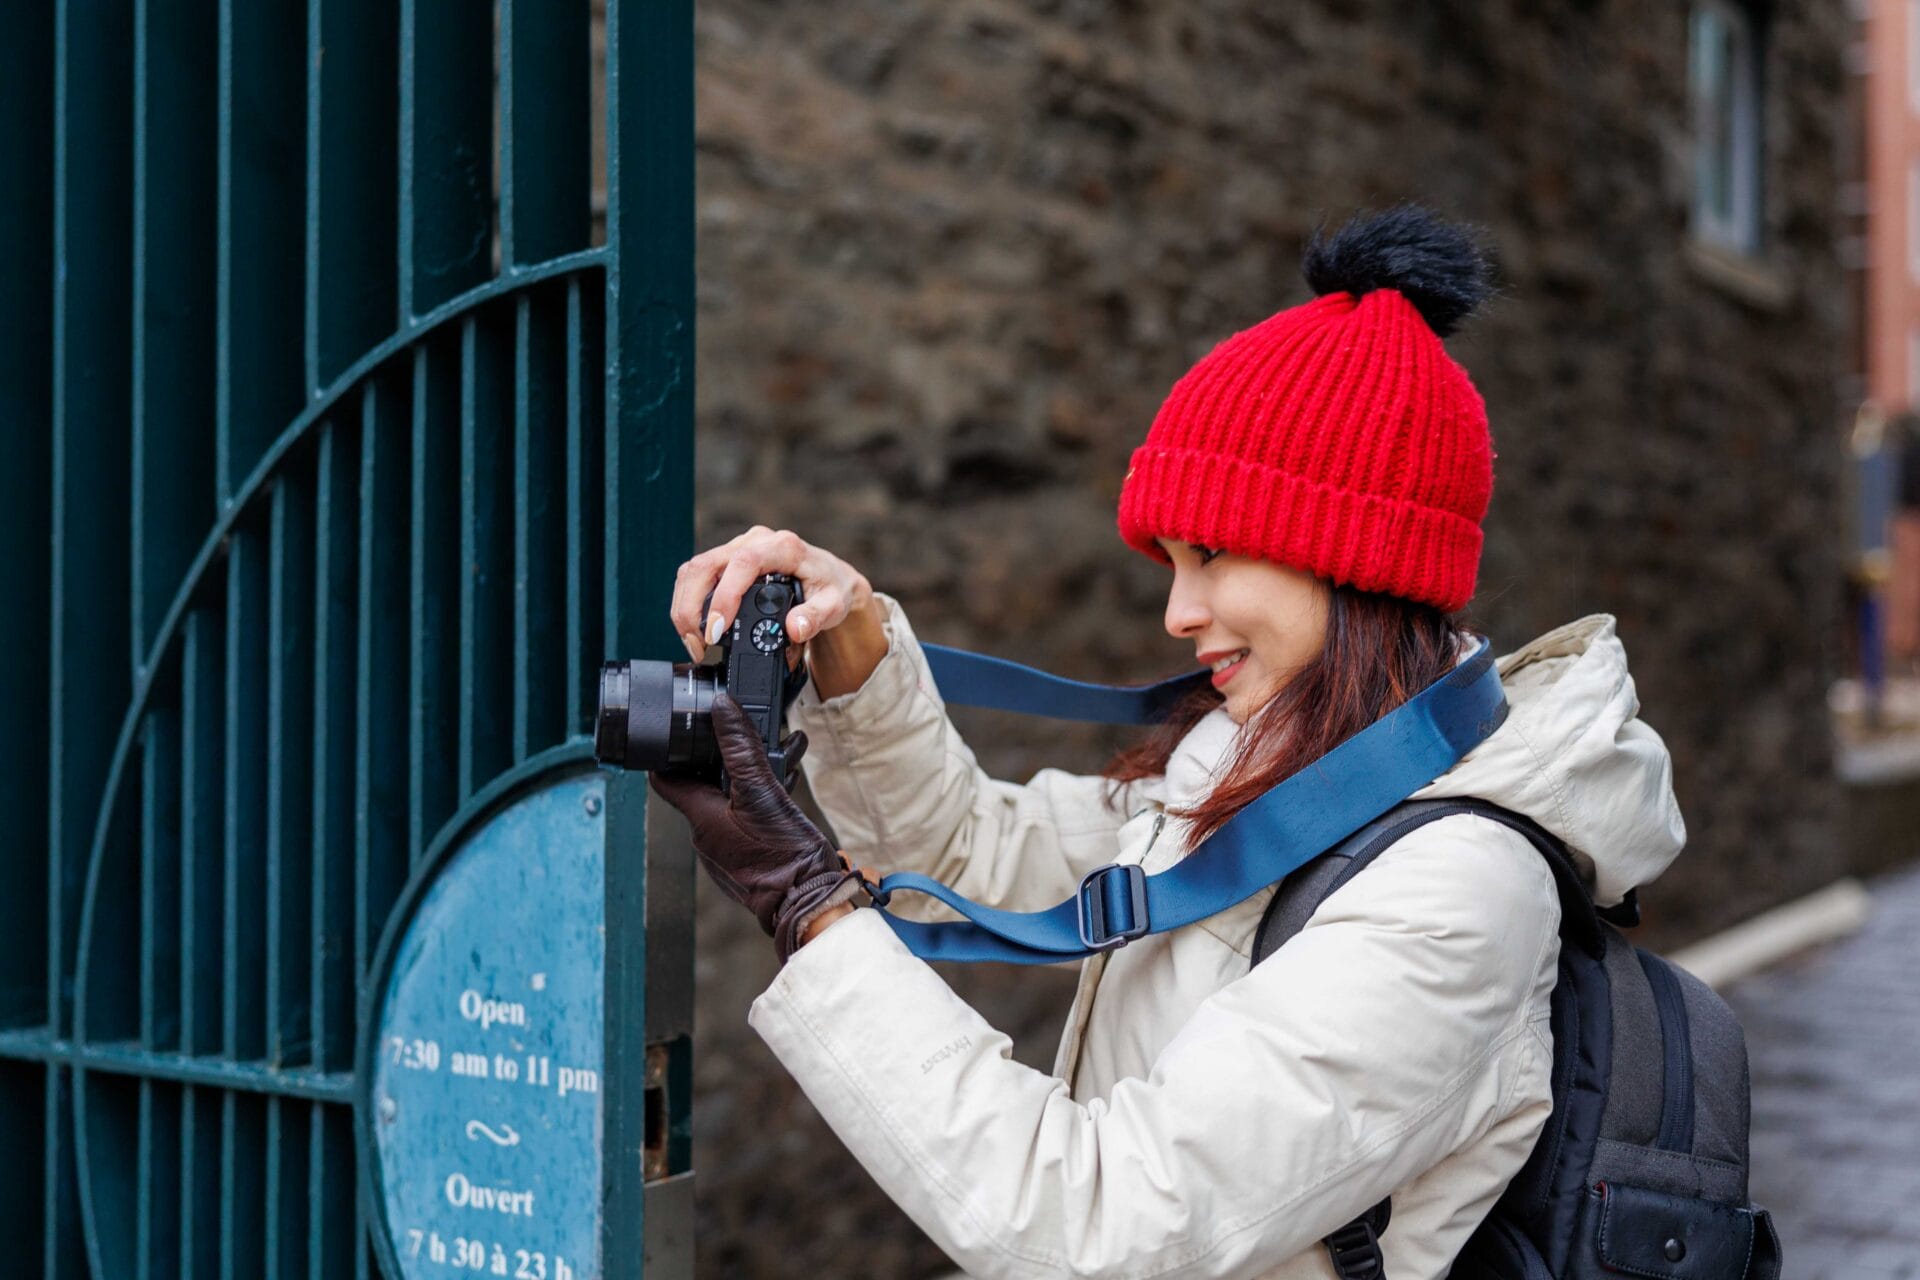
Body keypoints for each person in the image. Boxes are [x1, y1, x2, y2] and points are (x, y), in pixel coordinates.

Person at [649, 206, 1685, 1279]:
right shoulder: (1266, 761)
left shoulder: (1456, 892)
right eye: (1170, 561)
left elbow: (1101, 1227)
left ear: (1358, 559)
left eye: (1214, 555)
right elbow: (965, 858)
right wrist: (852, 647)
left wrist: (804, 900)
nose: (1176, 613)